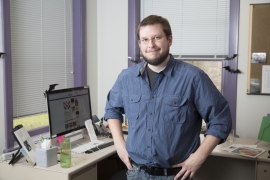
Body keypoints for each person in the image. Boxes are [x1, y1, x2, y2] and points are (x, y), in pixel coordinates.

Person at [104, 15, 232, 180]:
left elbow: (221, 119)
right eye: (145, 40)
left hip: (174, 176)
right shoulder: (126, 78)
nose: (151, 45)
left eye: (157, 38)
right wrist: (119, 144)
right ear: (139, 44)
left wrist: (199, 157)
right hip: (135, 173)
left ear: (169, 39)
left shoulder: (193, 78)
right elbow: (112, 109)